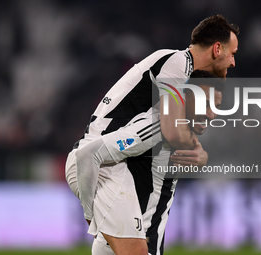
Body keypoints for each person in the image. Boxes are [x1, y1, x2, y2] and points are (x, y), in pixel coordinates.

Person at [66, 14, 239, 254]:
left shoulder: (179, 83)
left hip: (113, 160)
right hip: (101, 161)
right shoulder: (178, 62)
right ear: (217, 48)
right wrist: (89, 213)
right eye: (233, 53)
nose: (233, 62)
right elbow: (168, 127)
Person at [69, 70, 225, 255]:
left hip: (142, 242)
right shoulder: (156, 127)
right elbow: (87, 154)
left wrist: (201, 156)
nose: (211, 114)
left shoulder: (182, 135)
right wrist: (89, 215)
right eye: (205, 104)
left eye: (216, 107)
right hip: (129, 241)